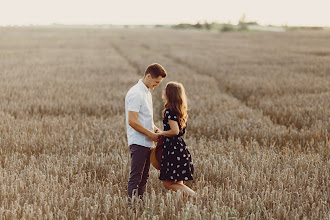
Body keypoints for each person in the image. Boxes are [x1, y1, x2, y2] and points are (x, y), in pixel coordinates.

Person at [125, 63, 167, 200]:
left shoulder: (146, 92)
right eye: (156, 82)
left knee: (144, 178)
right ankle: (132, 209)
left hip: (147, 143)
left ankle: (140, 206)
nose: (157, 85)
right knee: (136, 178)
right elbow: (132, 121)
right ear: (148, 76)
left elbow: (146, 120)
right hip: (138, 142)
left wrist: (158, 132)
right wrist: (151, 135)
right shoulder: (136, 93)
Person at [158, 82, 195, 196]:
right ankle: (185, 209)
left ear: (170, 93)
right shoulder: (179, 110)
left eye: (165, 89)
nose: (163, 90)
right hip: (179, 148)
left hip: (172, 150)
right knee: (178, 182)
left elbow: (175, 131)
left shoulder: (170, 111)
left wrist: (161, 133)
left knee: (168, 183)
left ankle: (195, 196)